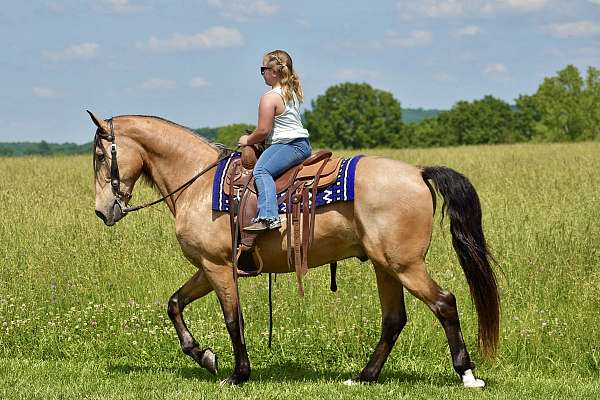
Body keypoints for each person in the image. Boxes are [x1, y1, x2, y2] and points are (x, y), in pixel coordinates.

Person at [238, 50, 311, 232]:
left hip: (287, 145)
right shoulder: (290, 92)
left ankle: (269, 216)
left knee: (261, 171)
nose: (262, 73)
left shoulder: (269, 98)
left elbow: (263, 131)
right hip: (301, 144)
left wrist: (247, 140)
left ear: (274, 72)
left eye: (263, 69)